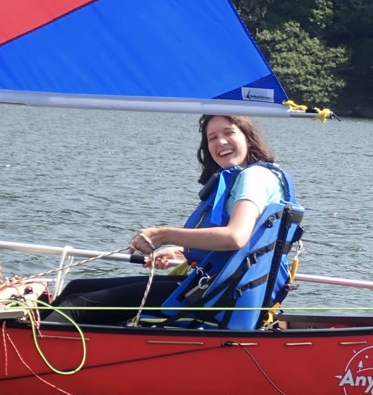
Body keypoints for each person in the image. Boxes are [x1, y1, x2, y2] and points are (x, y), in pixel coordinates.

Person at [48, 114, 303, 329]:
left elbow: (236, 236)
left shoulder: (253, 178)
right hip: (219, 286)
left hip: (217, 295)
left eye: (228, 133)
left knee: (78, 304)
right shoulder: (261, 175)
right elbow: (243, 249)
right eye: (212, 137)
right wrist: (182, 252)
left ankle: (34, 353)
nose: (221, 142)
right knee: (77, 286)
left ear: (247, 137)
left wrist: (162, 235)